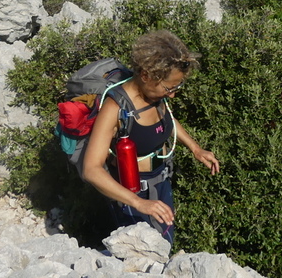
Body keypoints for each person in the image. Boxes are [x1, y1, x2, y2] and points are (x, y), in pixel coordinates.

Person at [83, 30, 220, 244]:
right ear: (146, 75)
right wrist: (139, 203)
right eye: (169, 87)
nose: (173, 94)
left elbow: (167, 119)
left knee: (165, 243)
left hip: (161, 181)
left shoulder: (155, 95)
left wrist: (195, 148)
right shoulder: (114, 109)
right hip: (131, 193)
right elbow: (91, 169)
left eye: (177, 86)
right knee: (141, 253)